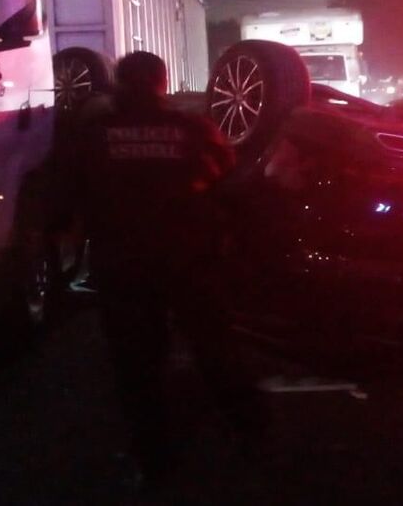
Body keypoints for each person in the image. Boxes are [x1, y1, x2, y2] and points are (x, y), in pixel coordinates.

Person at [71, 51, 265, 489]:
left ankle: (153, 458)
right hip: (188, 258)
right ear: (162, 82)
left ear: (119, 83)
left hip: (121, 262)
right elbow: (227, 180)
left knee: (136, 363)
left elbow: (72, 188)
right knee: (215, 348)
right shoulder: (192, 129)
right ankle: (251, 435)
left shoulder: (95, 134)